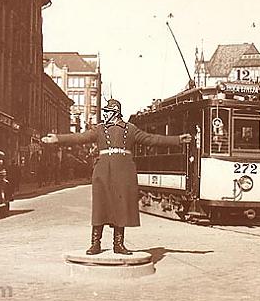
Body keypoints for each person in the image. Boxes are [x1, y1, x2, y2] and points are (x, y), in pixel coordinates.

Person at [41, 98, 192, 255]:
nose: (106, 114)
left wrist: (177, 139)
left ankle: (118, 244)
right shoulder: (99, 129)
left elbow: (152, 139)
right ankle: (95, 243)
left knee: (121, 207)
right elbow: (80, 137)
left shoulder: (131, 129)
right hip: (103, 171)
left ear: (117, 113)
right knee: (100, 206)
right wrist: (58, 138)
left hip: (124, 172)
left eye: (109, 111)